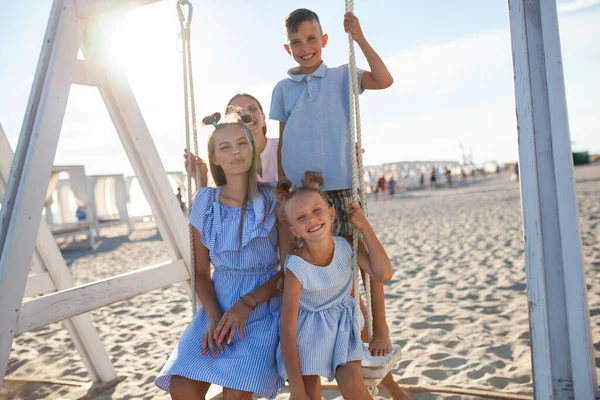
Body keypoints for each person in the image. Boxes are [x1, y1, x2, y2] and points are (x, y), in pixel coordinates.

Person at [270, 9, 408, 398]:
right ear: (287, 47)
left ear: (325, 40)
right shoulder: (282, 89)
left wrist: (360, 36)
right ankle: (325, 354)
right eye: (296, 42)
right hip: (303, 195)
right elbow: (285, 138)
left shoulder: (343, 75)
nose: (305, 48)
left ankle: (378, 327)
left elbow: (384, 79)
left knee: (357, 260)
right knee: (319, 275)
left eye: (311, 39)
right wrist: (285, 188)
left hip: (341, 186)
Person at [155, 112, 287, 399]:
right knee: (182, 388)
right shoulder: (204, 202)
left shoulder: (274, 200)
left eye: (242, 143)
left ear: (253, 149)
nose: (236, 151)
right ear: (214, 157)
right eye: (225, 147)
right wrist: (214, 316)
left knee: (235, 393)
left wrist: (246, 304)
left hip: (262, 308)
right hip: (216, 305)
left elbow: (289, 271)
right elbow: (201, 274)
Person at [274, 171, 393, 400]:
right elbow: (287, 331)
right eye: (301, 218)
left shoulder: (347, 246)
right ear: (294, 231)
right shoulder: (296, 268)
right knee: (307, 394)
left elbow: (383, 273)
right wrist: (296, 389)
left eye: (317, 211)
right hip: (307, 334)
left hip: (343, 328)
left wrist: (364, 227)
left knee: (351, 384)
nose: (311, 219)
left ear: (331, 214)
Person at [185, 93, 278, 185]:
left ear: (264, 118)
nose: (246, 114)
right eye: (237, 112)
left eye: (252, 109)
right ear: (229, 123)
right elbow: (207, 199)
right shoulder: (223, 162)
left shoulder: (285, 146)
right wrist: (201, 180)